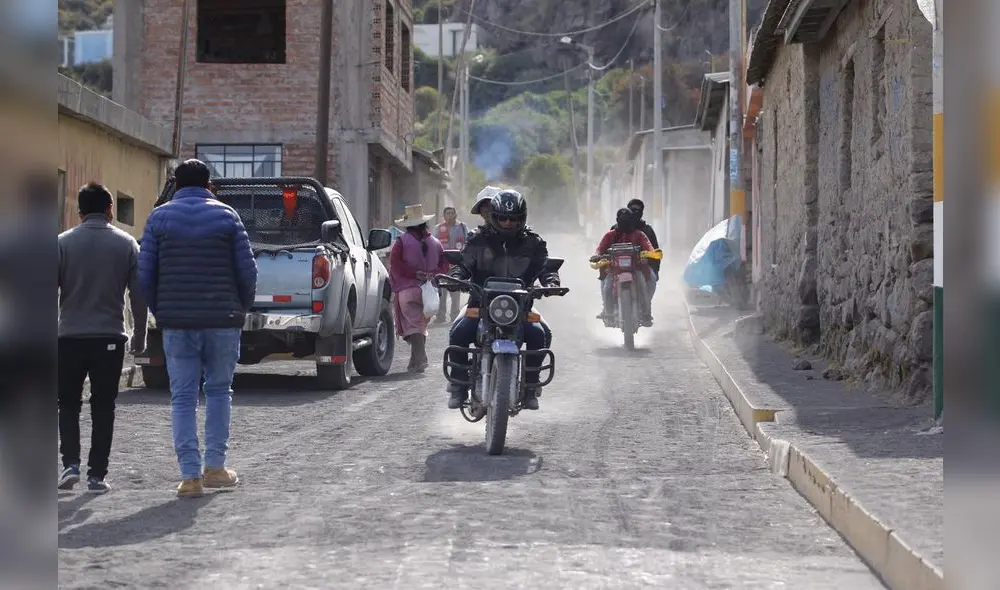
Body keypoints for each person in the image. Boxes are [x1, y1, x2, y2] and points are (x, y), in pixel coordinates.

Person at [138, 159, 258, 498]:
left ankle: (190, 477)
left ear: (176, 184)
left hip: (178, 322)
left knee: (183, 396)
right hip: (222, 320)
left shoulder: (159, 218)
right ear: (209, 185)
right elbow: (247, 272)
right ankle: (216, 468)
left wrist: (162, 311)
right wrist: (241, 308)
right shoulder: (226, 216)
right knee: (219, 391)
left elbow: (145, 275)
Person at [57, 182, 148, 494]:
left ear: (79, 210)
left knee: (67, 403)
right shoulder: (126, 245)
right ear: (110, 209)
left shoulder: (61, 243)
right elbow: (139, 296)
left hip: (68, 337)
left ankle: (70, 463)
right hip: (109, 338)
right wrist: (140, 337)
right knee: (103, 406)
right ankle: (97, 475)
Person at [440, 190, 560, 411]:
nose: (507, 223)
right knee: (459, 332)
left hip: (520, 308)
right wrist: (456, 277)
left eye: (513, 218)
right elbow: (463, 264)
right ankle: (457, 386)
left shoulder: (533, 243)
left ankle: (531, 387)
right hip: (480, 305)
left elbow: (545, 268)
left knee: (540, 334)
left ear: (521, 218)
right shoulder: (477, 239)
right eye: (503, 218)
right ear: (494, 216)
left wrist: (551, 282)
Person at [388, 204, 450, 372]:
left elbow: (396, 265)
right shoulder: (436, 243)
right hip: (430, 292)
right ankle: (414, 361)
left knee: (415, 326)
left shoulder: (401, 242)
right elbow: (445, 266)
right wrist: (432, 274)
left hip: (408, 290)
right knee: (420, 325)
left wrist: (415, 274)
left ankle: (421, 359)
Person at [592, 208, 655, 327]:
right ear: (617, 221)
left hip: (636, 269)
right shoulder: (610, 235)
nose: (625, 223)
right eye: (622, 220)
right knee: (607, 287)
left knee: (642, 283)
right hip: (614, 269)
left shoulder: (639, 234)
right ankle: (609, 314)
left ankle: (646, 314)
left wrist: (652, 252)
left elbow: (648, 245)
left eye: (627, 220)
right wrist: (597, 255)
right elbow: (600, 248)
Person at [434, 206, 470, 323]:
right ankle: (440, 316)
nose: (450, 215)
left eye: (451, 213)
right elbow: (433, 245)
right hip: (442, 264)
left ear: (456, 215)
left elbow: (469, 242)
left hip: (456, 265)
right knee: (442, 291)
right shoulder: (438, 229)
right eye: (447, 213)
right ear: (443, 216)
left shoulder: (462, 227)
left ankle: (455, 316)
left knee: (455, 291)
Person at [621, 198, 661, 295]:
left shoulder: (646, 231)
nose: (635, 212)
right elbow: (605, 247)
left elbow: (654, 250)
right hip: (619, 267)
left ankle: (646, 304)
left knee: (651, 278)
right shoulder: (617, 228)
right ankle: (606, 306)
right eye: (633, 209)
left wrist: (655, 269)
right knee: (607, 282)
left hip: (641, 266)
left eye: (638, 210)